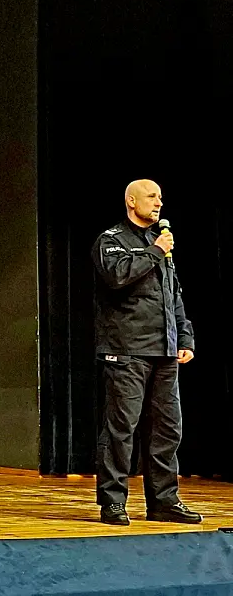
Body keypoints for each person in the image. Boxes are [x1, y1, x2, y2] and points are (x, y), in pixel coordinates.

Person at [92, 179, 200, 526]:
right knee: (121, 429)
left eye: (160, 198)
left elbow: (173, 295)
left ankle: (164, 501)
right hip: (127, 350)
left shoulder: (160, 245)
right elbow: (117, 277)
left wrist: (184, 337)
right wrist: (154, 251)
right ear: (131, 200)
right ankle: (112, 502)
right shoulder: (111, 240)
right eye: (152, 197)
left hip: (164, 351)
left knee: (167, 429)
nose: (158, 203)